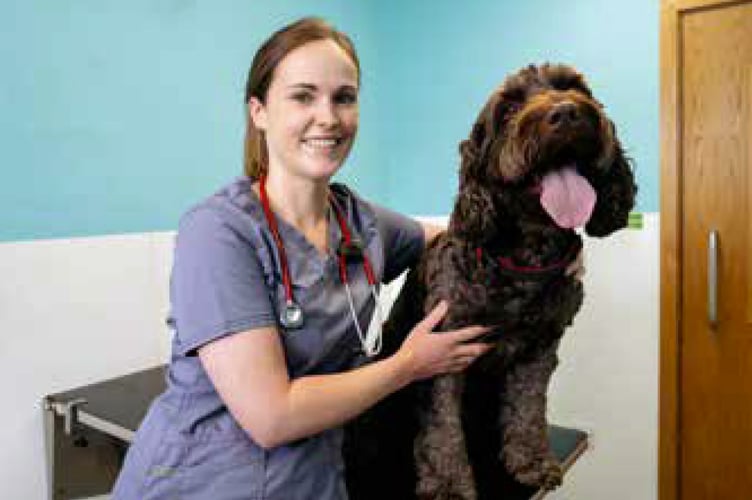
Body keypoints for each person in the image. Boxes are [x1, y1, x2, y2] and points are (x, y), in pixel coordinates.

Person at [111, 17, 497, 500]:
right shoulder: (218, 234)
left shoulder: (360, 221)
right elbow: (272, 416)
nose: (328, 117)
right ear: (259, 111)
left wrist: (544, 256)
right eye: (303, 96)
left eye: (344, 97)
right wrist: (408, 366)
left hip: (314, 481)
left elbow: (452, 241)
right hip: (203, 482)